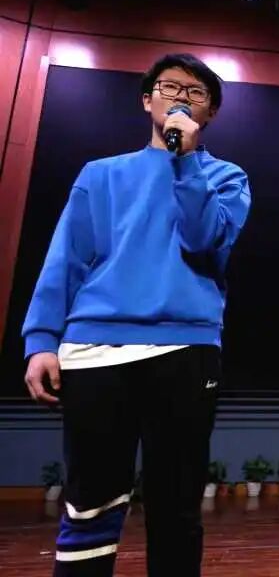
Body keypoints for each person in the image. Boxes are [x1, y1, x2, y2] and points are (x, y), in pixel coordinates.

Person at [22, 53, 252, 576]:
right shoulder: (100, 175)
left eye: (195, 93)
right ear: (148, 100)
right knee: (90, 503)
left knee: (176, 506)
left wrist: (186, 162)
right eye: (170, 88)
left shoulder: (226, 177)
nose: (181, 98)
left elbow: (204, 240)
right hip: (94, 351)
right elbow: (66, 260)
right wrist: (40, 340)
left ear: (210, 112)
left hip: (185, 350)